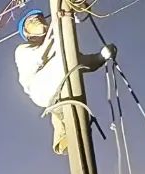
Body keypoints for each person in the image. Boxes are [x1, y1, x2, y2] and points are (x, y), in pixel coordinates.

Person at [14, 8, 116, 155]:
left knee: (70, 64)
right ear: (26, 32)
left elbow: (79, 61)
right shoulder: (23, 50)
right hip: (39, 88)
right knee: (66, 59)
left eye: (40, 18)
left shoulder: (58, 46)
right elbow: (41, 56)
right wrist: (63, 22)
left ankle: (66, 136)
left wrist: (101, 57)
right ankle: (64, 129)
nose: (39, 21)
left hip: (57, 88)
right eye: (32, 21)